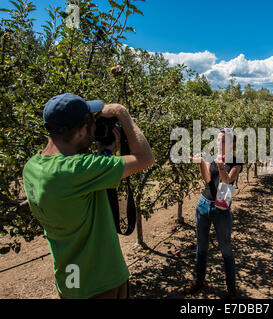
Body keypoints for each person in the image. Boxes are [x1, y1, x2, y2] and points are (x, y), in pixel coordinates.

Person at [22, 93, 155, 299]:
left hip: (70, 279)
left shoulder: (32, 167)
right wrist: (122, 113)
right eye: (93, 123)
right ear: (83, 129)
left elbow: (74, 181)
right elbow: (145, 158)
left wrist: (105, 154)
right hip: (101, 282)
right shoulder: (78, 170)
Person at [184, 128, 242, 299]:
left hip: (221, 209)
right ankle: (199, 280)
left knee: (226, 250)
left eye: (223, 140)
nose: (219, 143)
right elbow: (208, 179)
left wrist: (222, 167)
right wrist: (202, 161)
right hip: (203, 205)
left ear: (232, 144)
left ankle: (231, 289)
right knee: (201, 247)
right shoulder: (212, 156)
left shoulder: (237, 161)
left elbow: (227, 180)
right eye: (218, 140)